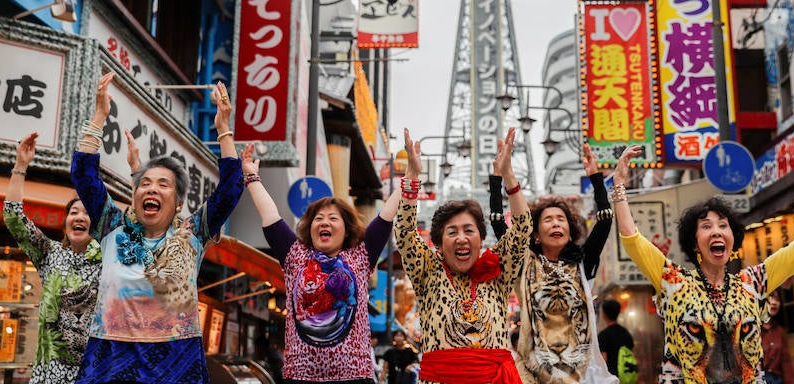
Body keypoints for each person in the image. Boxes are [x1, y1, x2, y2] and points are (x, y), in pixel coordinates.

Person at [71, 72, 244, 384]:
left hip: (176, 363)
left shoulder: (192, 234)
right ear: (135, 197)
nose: (151, 189)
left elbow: (231, 190)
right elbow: (83, 175)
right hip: (109, 359)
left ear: (178, 203)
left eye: (163, 184)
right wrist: (99, 116)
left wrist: (223, 129)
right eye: (145, 184)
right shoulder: (111, 227)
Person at [612, 145, 794, 384]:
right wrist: (619, 187)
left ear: (732, 238)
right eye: (706, 226)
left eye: (723, 225)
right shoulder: (674, 282)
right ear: (695, 243)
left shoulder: (753, 283)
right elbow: (632, 239)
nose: (716, 231)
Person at [241, 142, 402, 383]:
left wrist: (408, 179)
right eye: (319, 218)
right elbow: (270, 216)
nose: (324, 222)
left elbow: (386, 216)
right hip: (301, 376)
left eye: (332, 218)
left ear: (346, 230)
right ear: (311, 226)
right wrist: (252, 178)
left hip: (354, 376)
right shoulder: (295, 255)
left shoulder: (360, 255)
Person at [396, 128, 532, 384]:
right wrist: (413, 177)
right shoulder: (427, 269)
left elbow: (523, 227)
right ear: (438, 242)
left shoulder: (498, 271)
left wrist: (509, 175)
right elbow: (404, 232)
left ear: (481, 239)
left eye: (469, 230)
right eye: (452, 232)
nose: (461, 238)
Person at [3, 132, 103, 383]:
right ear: (66, 222)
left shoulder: (109, 260)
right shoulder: (51, 254)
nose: (79, 217)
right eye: (73, 212)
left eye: (86, 213)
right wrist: (20, 165)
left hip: (92, 375)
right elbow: (15, 219)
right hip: (48, 377)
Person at [512, 143, 616, 383]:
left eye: (561, 219)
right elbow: (501, 231)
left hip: (578, 372)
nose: (556, 224)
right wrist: (501, 180)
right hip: (534, 373)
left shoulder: (583, 263)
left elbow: (605, 221)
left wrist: (596, 179)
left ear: (571, 230)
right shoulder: (526, 265)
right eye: (548, 220)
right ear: (536, 234)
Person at [761, 289, 794, 384]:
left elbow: (786, 363)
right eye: (770, 299)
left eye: (777, 299)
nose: (774, 302)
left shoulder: (780, 331)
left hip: (777, 381)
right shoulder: (752, 329)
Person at [597, 299, 635, 378]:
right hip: (626, 377)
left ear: (604, 314)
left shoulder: (603, 335)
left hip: (611, 378)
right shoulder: (626, 333)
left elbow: (603, 361)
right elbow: (631, 354)